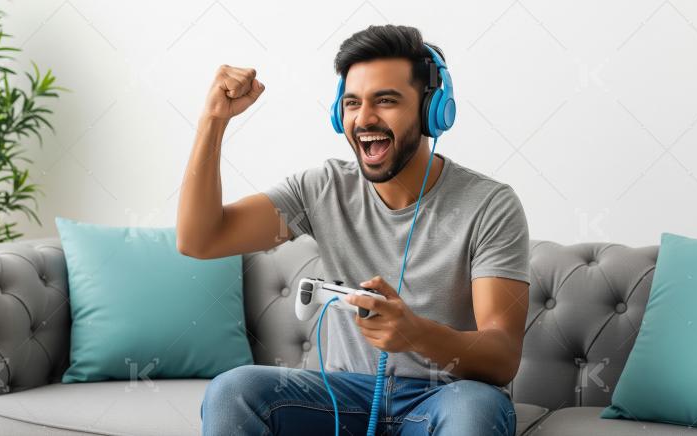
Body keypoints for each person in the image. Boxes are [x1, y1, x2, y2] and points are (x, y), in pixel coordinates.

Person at [177, 24, 529, 436]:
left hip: (447, 397)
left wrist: (416, 334)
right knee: (233, 390)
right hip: (343, 396)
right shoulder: (322, 188)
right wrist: (213, 120)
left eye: (386, 100)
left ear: (432, 109)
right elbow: (200, 239)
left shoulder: (489, 205)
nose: (364, 119)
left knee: (476, 411)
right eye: (351, 103)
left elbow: (502, 356)